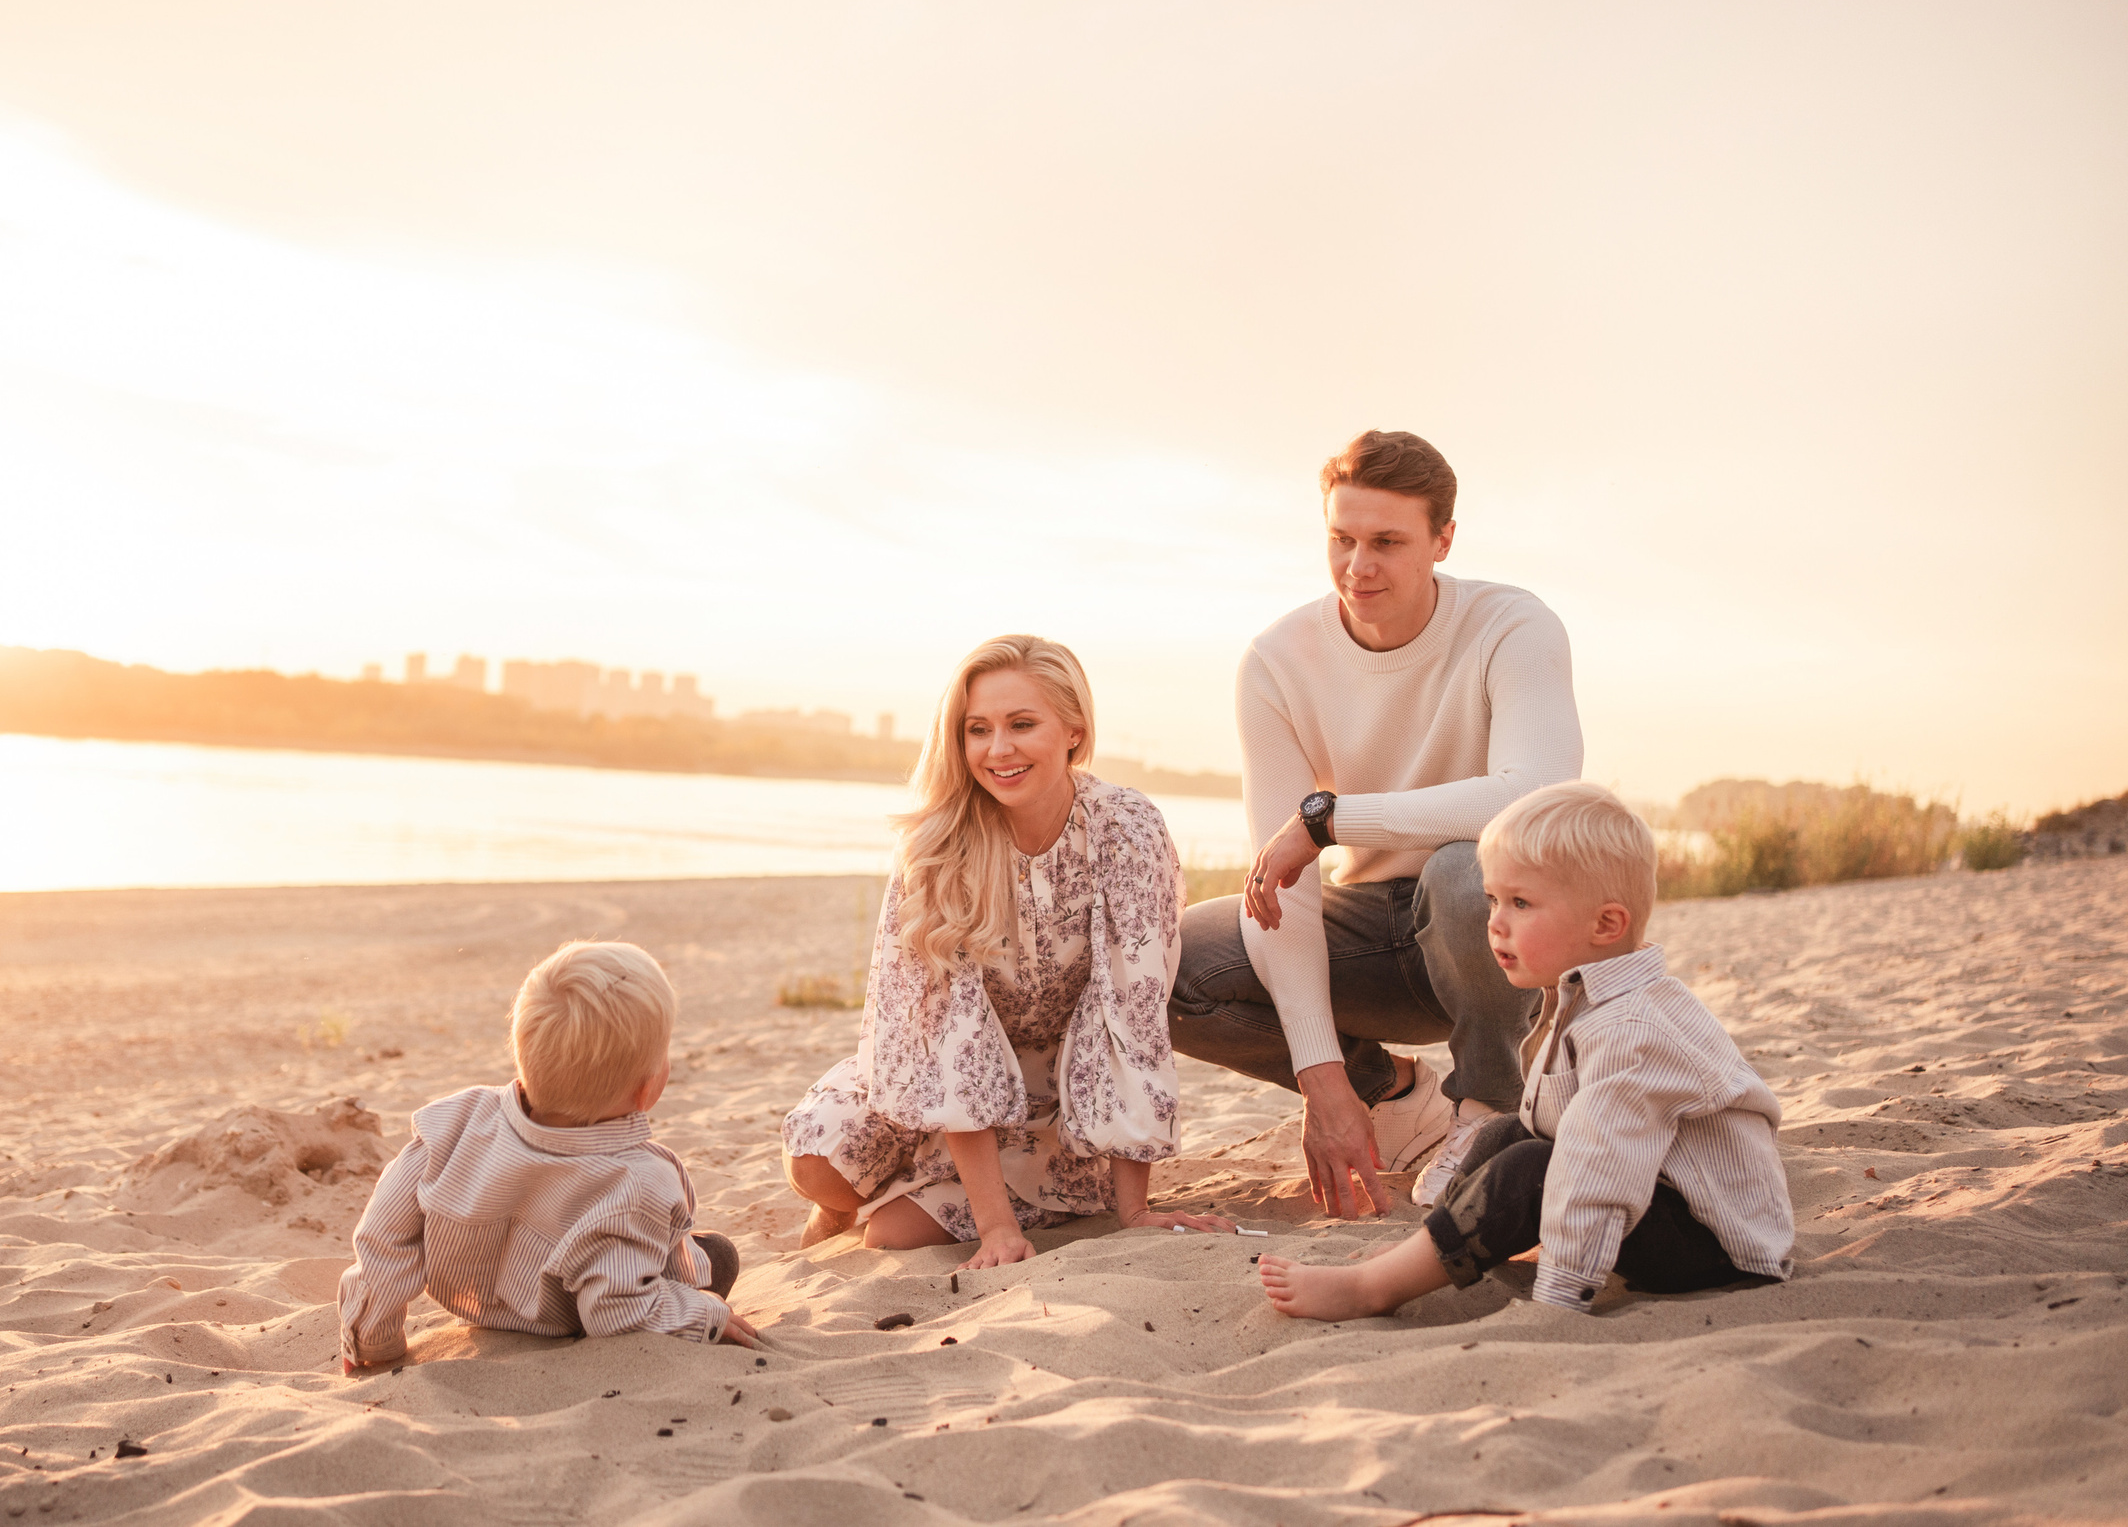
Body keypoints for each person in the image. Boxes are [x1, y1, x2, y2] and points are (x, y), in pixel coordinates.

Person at [1169, 429, 1583, 1220]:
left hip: (1491, 928)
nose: (1359, 566)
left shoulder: (1513, 626)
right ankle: (1392, 1091)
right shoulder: (1277, 661)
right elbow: (1279, 890)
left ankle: (1487, 1109)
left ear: (1443, 540)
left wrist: (1330, 821)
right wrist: (1323, 1078)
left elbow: (1534, 796)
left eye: (1388, 542)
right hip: (1368, 933)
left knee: (1469, 869)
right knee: (1169, 961)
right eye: (1342, 538)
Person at [1258, 781, 1794, 1320]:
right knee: (1505, 1132)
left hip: (1716, 1242)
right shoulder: (1585, 996)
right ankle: (1427, 1254)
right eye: (1493, 899)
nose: (1495, 921)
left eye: (1521, 903)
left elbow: (1598, 1168)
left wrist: (1559, 1295)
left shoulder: (1633, 1030)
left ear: (1606, 924)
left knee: (1530, 1168)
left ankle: (1374, 1288)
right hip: (1655, 1189)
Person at [782, 633, 1235, 1268]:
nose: (999, 750)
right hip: (940, 1068)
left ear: (1073, 729)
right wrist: (996, 1230)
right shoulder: (938, 849)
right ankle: (875, 1193)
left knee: (889, 1237)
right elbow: (948, 1037)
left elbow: (1133, 1012)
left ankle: (1009, 1188)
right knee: (815, 1163)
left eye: (1023, 724)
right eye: (978, 729)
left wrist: (1134, 1212)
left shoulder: (1128, 830)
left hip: (1066, 1084)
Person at [336, 940, 757, 1368]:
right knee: (718, 1256)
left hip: (474, 1300)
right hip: (561, 1316)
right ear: (646, 1090)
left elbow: (383, 1238)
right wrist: (703, 1314)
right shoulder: (637, 1181)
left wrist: (370, 1336)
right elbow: (617, 1311)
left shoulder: (452, 1123)